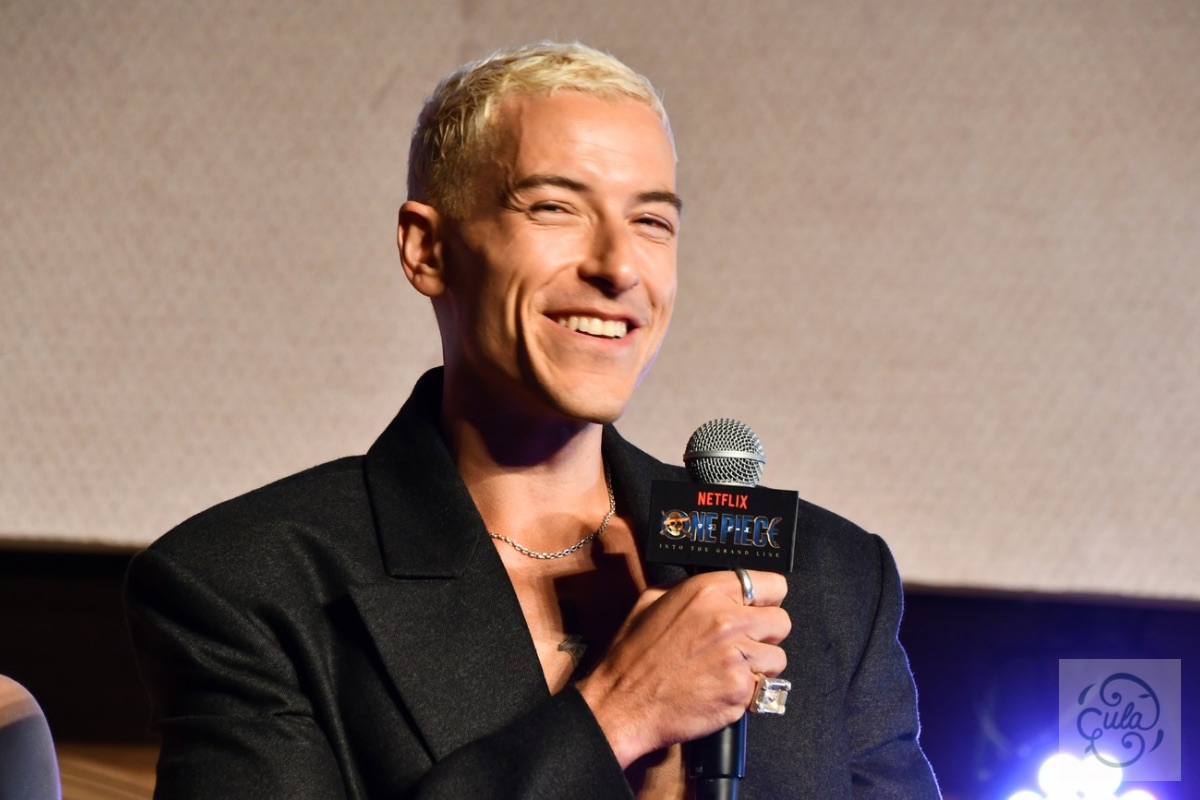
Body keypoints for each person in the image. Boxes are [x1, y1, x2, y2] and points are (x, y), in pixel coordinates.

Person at [125, 41, 940, 799]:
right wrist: (616, 715)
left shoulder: (832, 578)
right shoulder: (247, 584)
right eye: (555, 208)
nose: (618, 267)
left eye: (652, 221)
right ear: (427, 249)